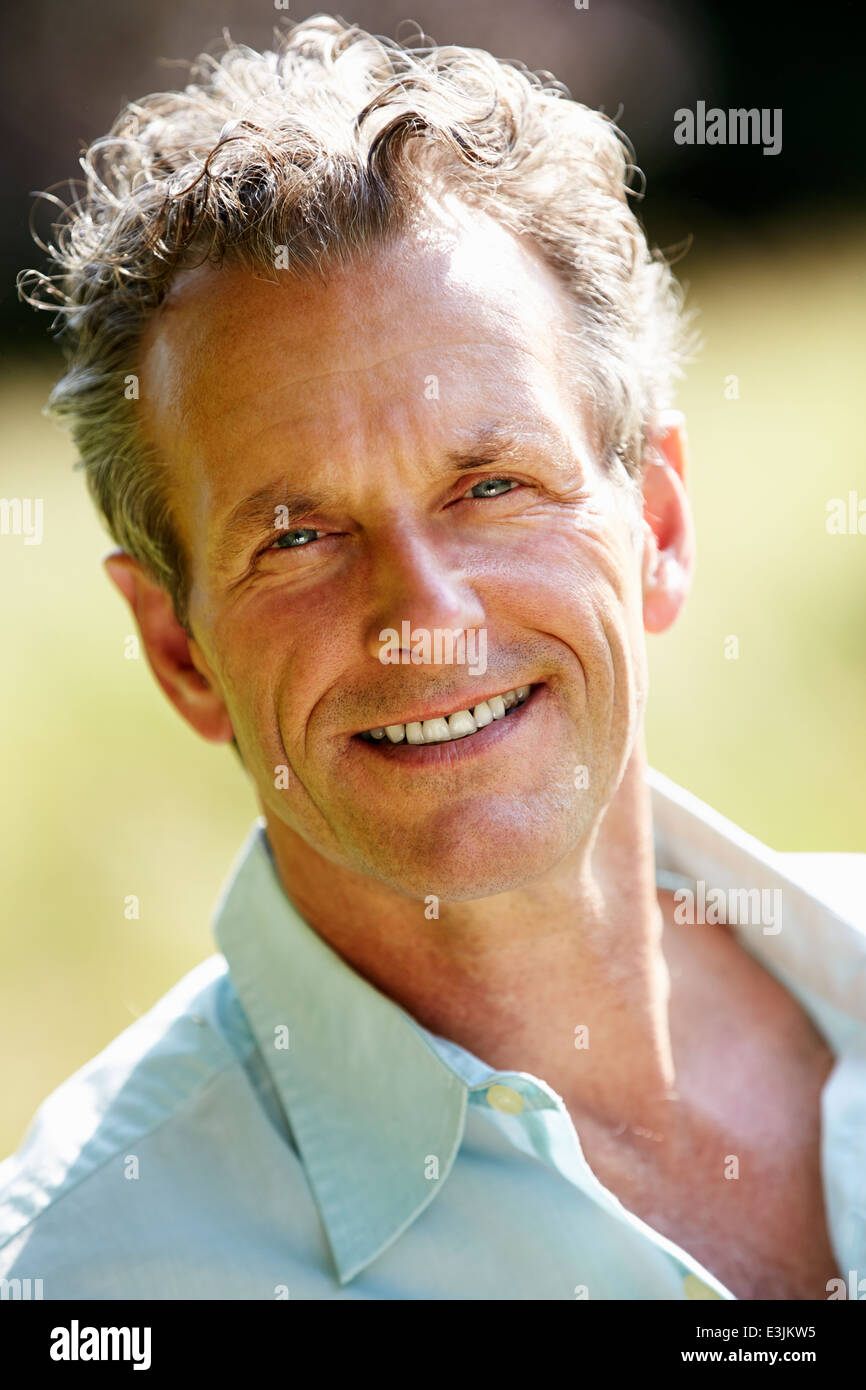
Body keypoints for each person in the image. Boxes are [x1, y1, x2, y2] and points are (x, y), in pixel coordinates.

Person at [2, 16, 864, 1302]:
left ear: (659, 529)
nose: (426, 613)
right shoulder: (97, 1278)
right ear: (178, 651)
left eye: (492, 484)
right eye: (297, 536)